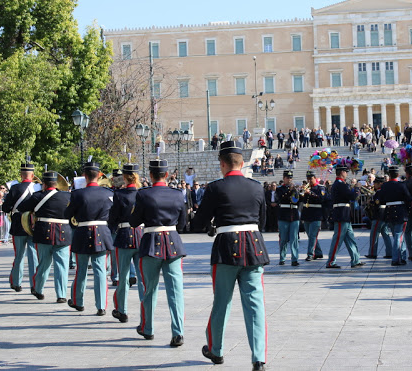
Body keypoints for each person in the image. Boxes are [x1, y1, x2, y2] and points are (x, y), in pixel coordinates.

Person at [191, 140, 269, 371]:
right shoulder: (257, 187)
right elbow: (262, 222)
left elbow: (198, 223)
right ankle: (258, 357)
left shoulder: (215, 188)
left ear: (222, 164)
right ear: (242, 163)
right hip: (254, 246)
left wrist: (209, 225)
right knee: (255, 304)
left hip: (226, 246)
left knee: (222, 301)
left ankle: (216, 350)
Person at [129, 159, 187, 345]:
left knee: (149, 289)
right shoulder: (177, 194)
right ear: (167, 175)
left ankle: (147, 328)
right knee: (175, 291)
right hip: (172, 243)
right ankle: (178, 332)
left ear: (151, 175)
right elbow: (183, 223)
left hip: (151, 243)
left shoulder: (143, 194)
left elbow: (134, 222)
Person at [64, 160, 114, 315]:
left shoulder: (77, 194)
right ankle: (101, 306)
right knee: (100, 270)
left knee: (81, 270)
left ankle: (78, 301)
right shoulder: (108, 193)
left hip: (82, 232)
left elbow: (67, 215)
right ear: (99, 175)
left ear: (84, 176)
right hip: (102, 232)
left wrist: (76, 225)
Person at [17, 171, 72, 302]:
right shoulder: (67, 196)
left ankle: (38, 289)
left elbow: (21, 207)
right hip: (63, 232)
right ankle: (61, 295)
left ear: (44, 184)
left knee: (43, 263)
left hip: (43, 232)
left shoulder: (37, 196)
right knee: (62, 265)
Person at [108, 164, 144, 324]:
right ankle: (145, 310)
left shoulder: (119, 194)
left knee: (123, 277)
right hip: (141, 235)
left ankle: (122, 310)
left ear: (125, 177)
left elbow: (113, 217)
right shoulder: (142, 193)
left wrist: (112, 227)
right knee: (142, 277)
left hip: (124, 236)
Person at [2, 161, 39, 292]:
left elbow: (5, 208)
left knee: (19, 255)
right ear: (32, 175)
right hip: (34, 223)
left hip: (18, 223)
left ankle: (16, 282)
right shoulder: (38, 187)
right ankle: (35, 284)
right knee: (33, 254)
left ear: (21, 175)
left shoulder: (15, 188)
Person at [326, 159, 364, 268]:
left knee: (350, 239)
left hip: (345, 214)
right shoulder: (339, 184)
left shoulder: (341, 184)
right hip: (341, 214)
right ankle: (330, 261)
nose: (347, 173)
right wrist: (356, 188)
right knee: (337, 239)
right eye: (346, 171)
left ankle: (355, 260)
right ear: (342, 172)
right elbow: (352, 197)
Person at [377, 165, 411, 266]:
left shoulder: (384, 186)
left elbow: (381, 200)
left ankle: (403, 256)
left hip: (389, 212)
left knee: (398, 236)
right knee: (398, 236)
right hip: (400, 212)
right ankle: (396, 258)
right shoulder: (401, 185)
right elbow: (408, 198)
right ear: (398, 174)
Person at [276, 170, 301, 266]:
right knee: (283, 239)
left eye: (291, 178)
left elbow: (298, 200)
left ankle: (295, 259)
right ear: (284, 178)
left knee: (294, 239)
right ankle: (282, 258)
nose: (289, 179)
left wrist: (298, 191)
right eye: (287, 177)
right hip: (283, 215)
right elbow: (281, 198)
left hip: (294, 215)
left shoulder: (295, 189)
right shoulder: (280, 189)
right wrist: (290, 190)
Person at [365, 175, 392, 259]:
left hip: (379, 214)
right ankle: (389, 252)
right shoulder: (386, 191)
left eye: (376, 183)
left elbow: (377, 203)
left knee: (374, 234)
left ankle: (372, 253)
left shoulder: (380, 192)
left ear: (380, 183)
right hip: (384, 214)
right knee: (385, 234)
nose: (375, 185)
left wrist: (371, 202)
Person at [301, 170, 325, 261]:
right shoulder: (306, 188)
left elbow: (321, 199)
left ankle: (310, 254)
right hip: (306, 215)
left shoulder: (320, 188)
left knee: (312, 236)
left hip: (316, 215)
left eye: (311, 178)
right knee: (311, 235)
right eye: (308, 179)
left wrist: (310, 193)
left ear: (315, 178)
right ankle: (318, 252)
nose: (309, 181)